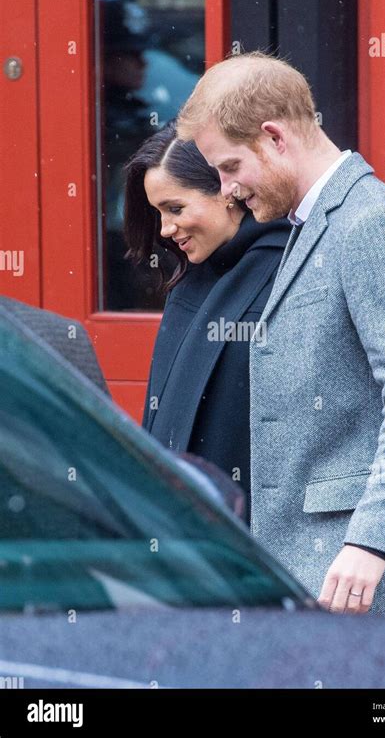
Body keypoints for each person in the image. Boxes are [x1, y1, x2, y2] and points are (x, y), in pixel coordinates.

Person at [176, 51, 385, 619]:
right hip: (326, 568)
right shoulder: (322, 220)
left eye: (231, 167)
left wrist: (370, 541)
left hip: (366, 571)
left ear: (274, 137)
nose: (227, 190)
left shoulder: (370, 221)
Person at [123, 120, 292, 524]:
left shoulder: (290, 268)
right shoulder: (192, 277)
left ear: (227, 191)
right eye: (158, 213)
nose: (165, 229)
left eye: (175, 208)